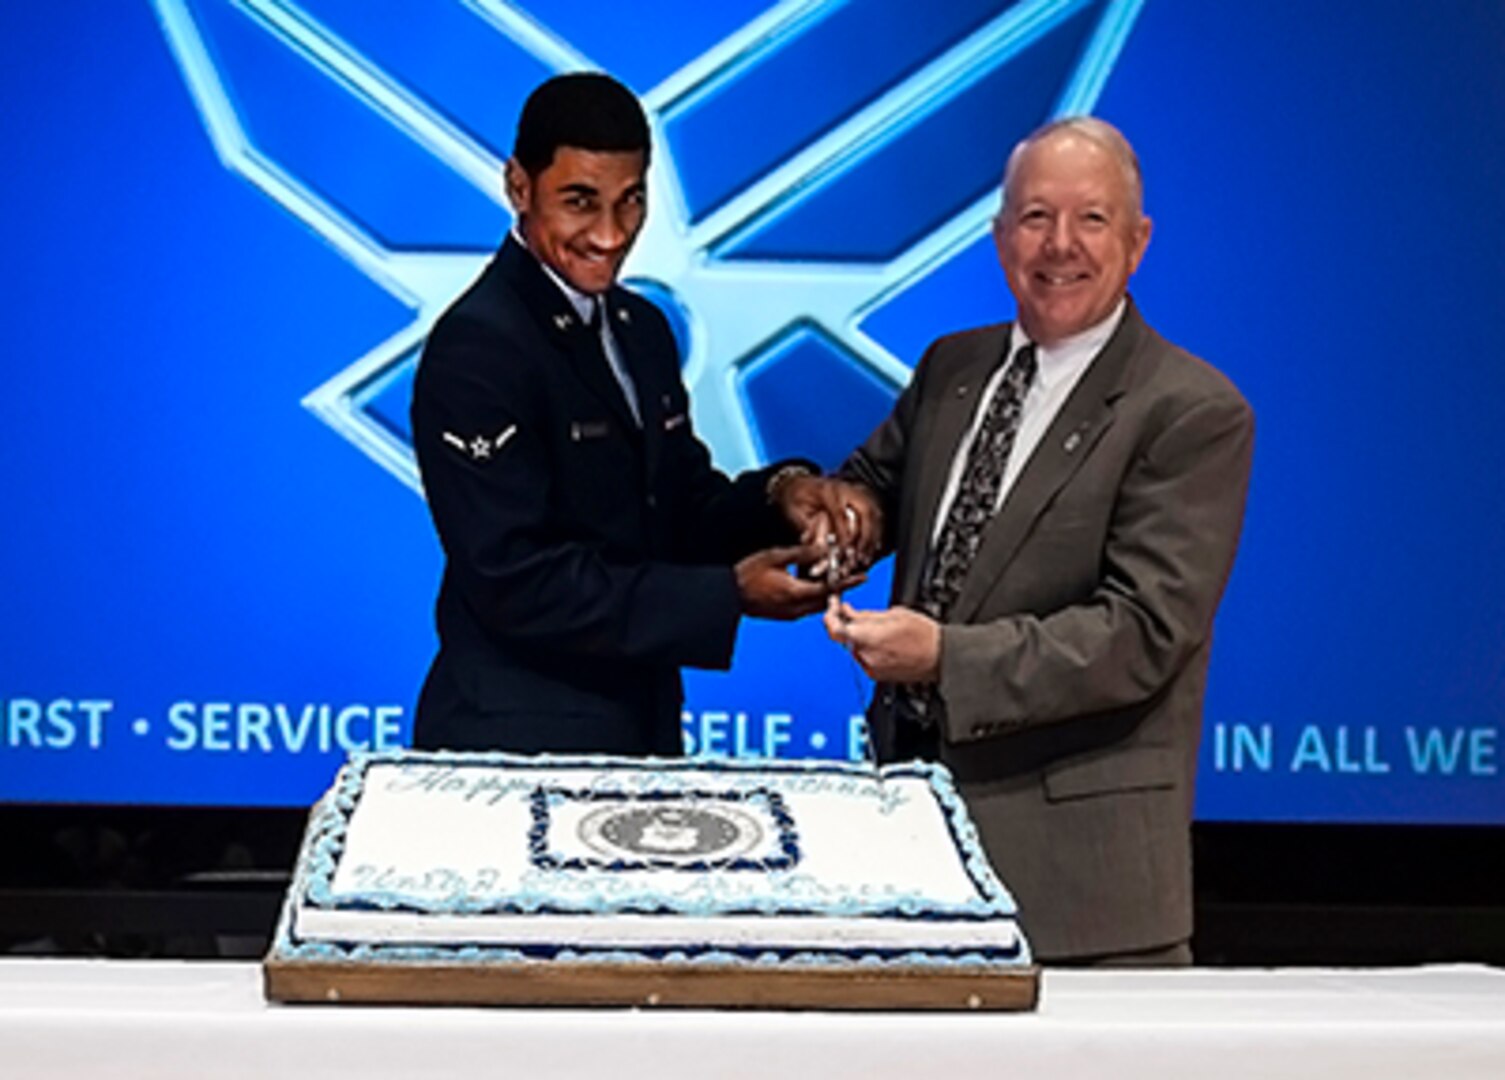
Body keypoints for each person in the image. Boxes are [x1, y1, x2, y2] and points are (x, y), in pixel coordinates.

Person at [824, 117, 1254, 964]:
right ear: (997, 238)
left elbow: (1138, 635)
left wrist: (945, 656)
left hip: (1083, 899)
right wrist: (820, 520)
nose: (1059, 245)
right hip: (911, 866)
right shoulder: (953, 367)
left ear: (1138, 243)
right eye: (1033, 218)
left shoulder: (1190, 411)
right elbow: (873, 489)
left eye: (1091, 220)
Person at [410, 73, 854, 756]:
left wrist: (782, 497)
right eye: (580, 202)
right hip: (515, 743)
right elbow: (516, 580)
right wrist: (725, 597)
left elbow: (676, 503)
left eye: (631, 201)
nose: (611, 234)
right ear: (518, 186)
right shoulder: (478, 347)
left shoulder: (639, 327)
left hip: (642, 728)